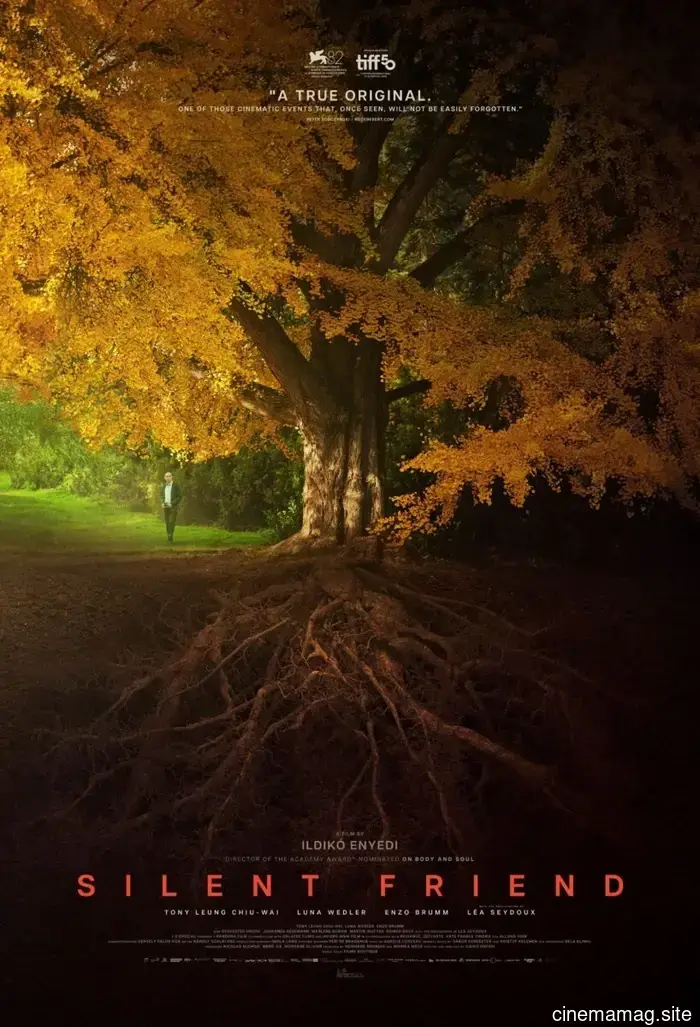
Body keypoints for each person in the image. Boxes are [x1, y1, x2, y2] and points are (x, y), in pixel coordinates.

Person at [160, 471, 183, 543]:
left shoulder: (176, 485)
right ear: (164, 478)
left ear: (172, 477)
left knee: (171, 521)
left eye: (169, 476)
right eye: (166, 476)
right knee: (167, 522)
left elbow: (179, 496)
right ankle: (169, 535)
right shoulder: (164, 486)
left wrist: (172, 504)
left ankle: (170, 535)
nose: (168, 477)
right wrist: (162, 503)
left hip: (173, 507)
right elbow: (161, 496)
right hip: (166, 506)